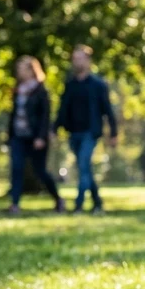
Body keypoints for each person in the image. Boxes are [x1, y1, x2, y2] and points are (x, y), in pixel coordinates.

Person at [53, 45, 118, 214]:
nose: (77, 62)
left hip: (90, 132)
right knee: (85, 169)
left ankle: (78, 205)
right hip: (73, 132)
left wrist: (113, 133)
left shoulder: (98, 85)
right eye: (75, 59)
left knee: (83, 165)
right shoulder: (70, 84)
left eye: (80, 58)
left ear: (88, 61)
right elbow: (62, 109)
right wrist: (54, 129)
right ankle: (97, 203)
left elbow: (108, 110)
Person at [6, 56, 65, 214]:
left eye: (21, 69)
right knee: (16, 168)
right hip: (18, 136)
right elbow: (13, 114)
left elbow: (45, 116)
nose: (19, 72)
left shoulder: (40, 90)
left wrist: (41, 137)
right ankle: (15, 204)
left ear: (31, 70)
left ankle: (58, 199)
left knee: (40, 171)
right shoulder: (18, 89)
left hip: (35, 137)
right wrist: (10, 136)